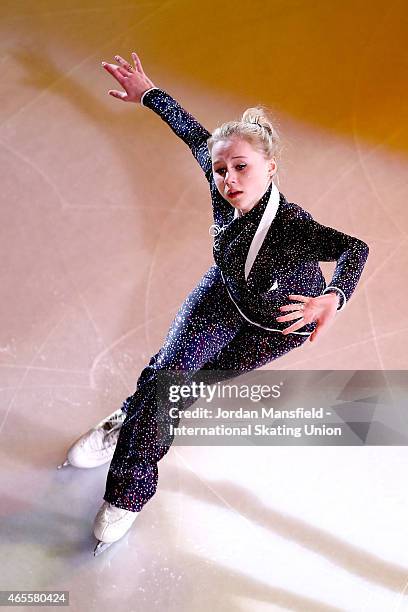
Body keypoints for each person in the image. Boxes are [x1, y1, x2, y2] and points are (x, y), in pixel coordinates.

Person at [58, 52, 369, 555]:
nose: (228, 179)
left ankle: (131, 417)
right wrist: (147, 93)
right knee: (166, 380)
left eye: (241, 167)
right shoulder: (221, 179)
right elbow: (192, 132)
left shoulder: (292, 226)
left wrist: (334, 296)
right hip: (219, 300)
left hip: (274, 328)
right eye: (221, 169)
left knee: (182, 390)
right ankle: (127, 494)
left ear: (270, 167)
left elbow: (354, 249)